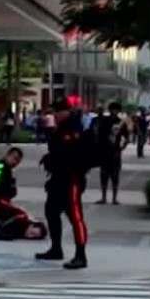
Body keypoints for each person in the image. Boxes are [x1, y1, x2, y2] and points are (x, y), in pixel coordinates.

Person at [37, 98, 96, 269]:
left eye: (57, 112)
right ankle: (56, 248)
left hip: (72, 179)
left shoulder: (74, 129)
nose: (54, 115)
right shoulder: (61, 128)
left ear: (66, 112)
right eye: (53, 112)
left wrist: (54, 157)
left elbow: (70, 154)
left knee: (75, 216)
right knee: (51, 211)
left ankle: (81, 255)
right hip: (57, 178)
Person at [96, 102, 129, 205]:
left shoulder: (121, 122)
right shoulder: (104, 121)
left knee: (115, 175)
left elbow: (126, 137)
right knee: (104, 175)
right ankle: (104, 197)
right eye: (113, 109)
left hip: (115, 152)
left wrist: (122, 148)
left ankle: (114, 198)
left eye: (116, 110)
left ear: (119, 111)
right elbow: (99, 136)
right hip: (105, 151)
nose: (114, 111)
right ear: (110, 110)